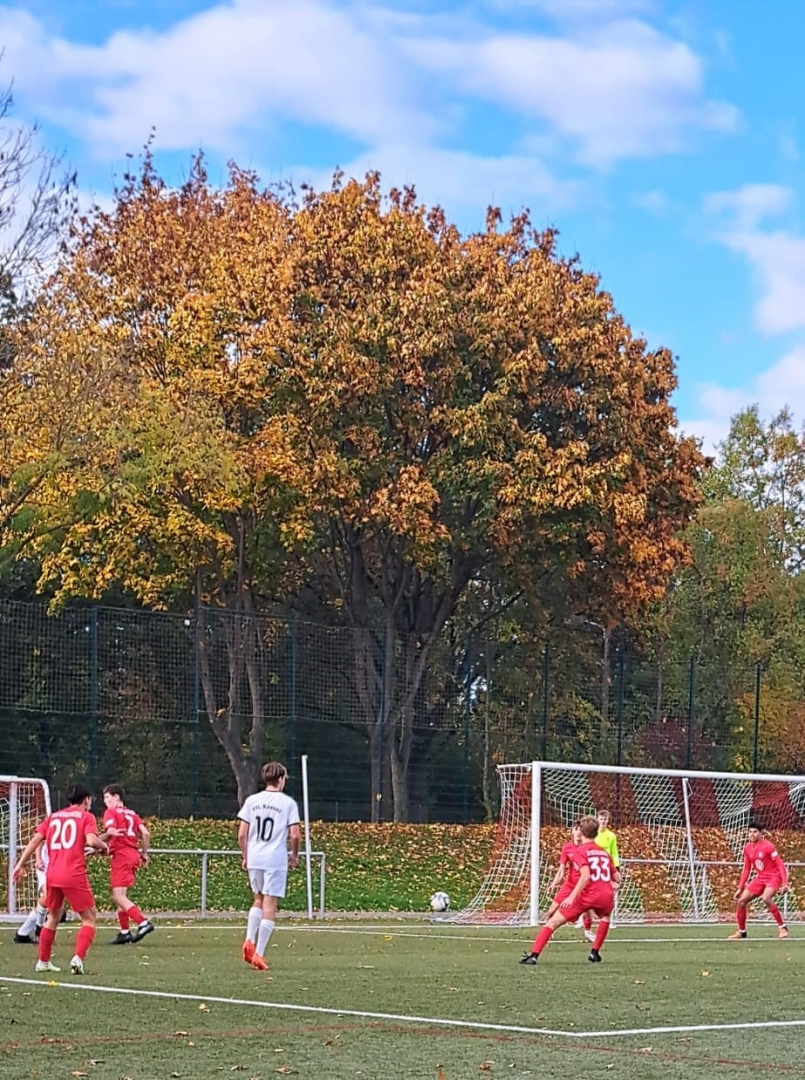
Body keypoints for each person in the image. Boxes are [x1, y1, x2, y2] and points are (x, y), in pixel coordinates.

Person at [12, 783, 108, 974]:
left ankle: (43, 961)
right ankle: (78, 958)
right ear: (87, 800)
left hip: (52, 874)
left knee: (53, 916)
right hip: (73, 874)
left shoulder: (54, 817)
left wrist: (19, 864)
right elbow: (91, 840)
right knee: (89, 918)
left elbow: (35, 840)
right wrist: (104, 847)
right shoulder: (86, 816)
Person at [520, 815, 619, 965]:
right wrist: (614, 885)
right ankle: (594, 952)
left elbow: (585, 876)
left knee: (553, 922)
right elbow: (617, 877)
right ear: (597, 832)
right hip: (605, 895)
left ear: (582, 832)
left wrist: (571, 897)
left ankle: (534, 955)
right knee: (605, 917)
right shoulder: (604, 853)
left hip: (586, 895)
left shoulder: (580, 851)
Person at [237, 761, 300, 971]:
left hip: (255, 857)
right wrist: (294, 855)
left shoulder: (252, 801)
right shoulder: (288, 803)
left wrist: (245, 856)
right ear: (280, 779)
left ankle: (249, 939)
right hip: (275, 859)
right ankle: (259, 953)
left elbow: (242, 834)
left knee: (257, 899)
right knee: (270, 905)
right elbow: (295, 835)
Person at [100, 784, 154, 944]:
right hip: (133, 854)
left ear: (116, 797)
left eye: (107, 797)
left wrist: (94, 842)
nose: (105, 802)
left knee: (118, 896)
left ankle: (143, 923)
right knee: (122, 896)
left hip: (122, 855)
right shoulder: (132, 814)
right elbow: (145, 833)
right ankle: (125, 932)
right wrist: (144, 853)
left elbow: (111, 832)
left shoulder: (111, 812)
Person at [729, 820, 789, 940]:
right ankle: (742, 932)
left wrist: (785, 883)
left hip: (773, 877)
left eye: (755, 832)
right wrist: (740, 888)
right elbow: (747, 868)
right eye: (750, 832)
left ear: (761, 833)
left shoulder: (768, 847)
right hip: (760, 878)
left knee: (766, 898)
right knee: (741, 901)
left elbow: (780, 864)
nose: (752, 834)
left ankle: (782, 927)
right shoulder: (747, 848)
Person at [579, 807, 622, 942]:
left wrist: (616, 868)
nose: (603, 821)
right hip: (592, 867)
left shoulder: (611, 836)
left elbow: (614, 853)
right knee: (586, 892)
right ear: (598, 820)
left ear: (608, 821)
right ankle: (584, 920)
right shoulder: (592, 834)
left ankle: (608, 918)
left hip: (606, 867)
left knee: (609, 893)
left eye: (605, 819)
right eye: (601, 819)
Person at [544, 822, 584, 922]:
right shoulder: (567, 848)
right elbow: (561, 871)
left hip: (584, 885)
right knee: (552, 910)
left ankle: (588, 930)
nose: (578, 832)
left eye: (581, 830)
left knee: (588, 912)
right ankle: (547, 927)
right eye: (576, 829)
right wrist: (553, 884)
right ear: (572, 831)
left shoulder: (587, 847)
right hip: (570, 884)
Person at [12, 843, 49, 945]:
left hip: (60, 867)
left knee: (50, 902)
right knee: (48, 896)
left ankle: (22, 934)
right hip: (45, 865)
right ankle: (39, 931)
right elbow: (38, 840)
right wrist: (38, 859)